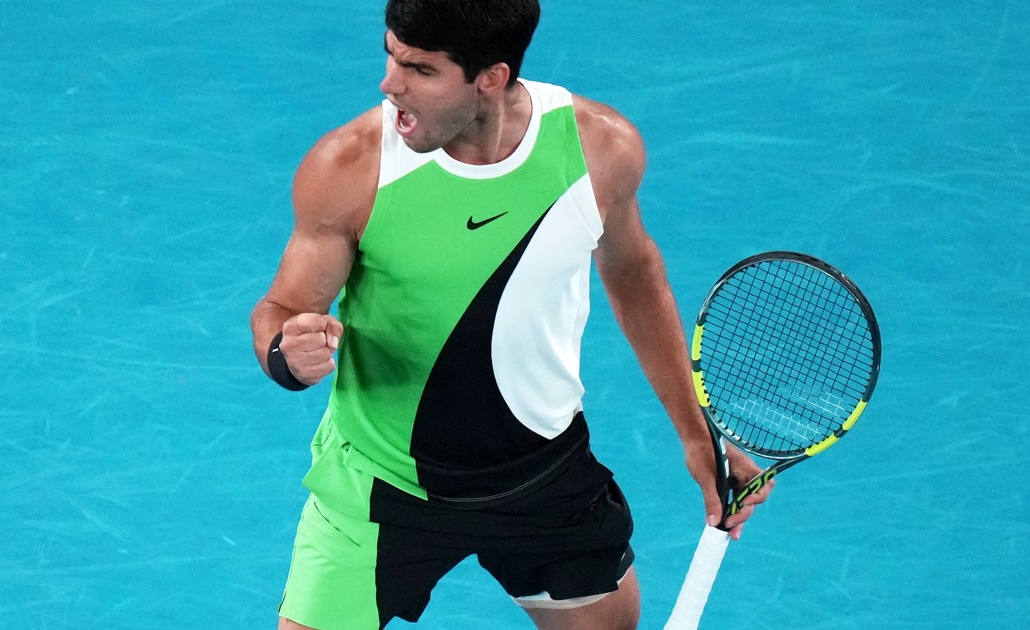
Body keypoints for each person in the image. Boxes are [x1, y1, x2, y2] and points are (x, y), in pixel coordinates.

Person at [250, 1, 772, 628]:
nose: (389, 84)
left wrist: (695, 433)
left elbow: (635, 276)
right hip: (382, 485)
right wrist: (285, 354)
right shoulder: (351, 166)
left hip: (544, 478)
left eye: (420, 69)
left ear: (491, 77)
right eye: (391, 56)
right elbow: (284, 307)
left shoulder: (598, 149)